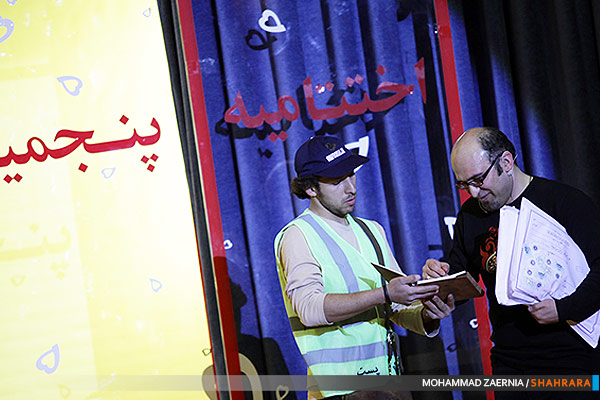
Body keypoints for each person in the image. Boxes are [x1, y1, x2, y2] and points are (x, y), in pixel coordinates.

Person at [422, 127, 600, 399]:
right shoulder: (470, 215)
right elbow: (461, 278)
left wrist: (564, 309)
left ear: (506, 162)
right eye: (463, 184)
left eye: (478, 179)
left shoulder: (564, 202)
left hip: (572, 359)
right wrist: (440, 277)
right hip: (510, 364)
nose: (473, 192)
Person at [274, 135, 455, 400]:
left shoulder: (372, 230)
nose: (351, 188)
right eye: (337, 181)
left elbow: (397, 308)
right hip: (341, 391)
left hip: (389, 382)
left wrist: (428, 313)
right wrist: (385, 294)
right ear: (310, 188)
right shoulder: (298, 235)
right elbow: (309, 309)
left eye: (351, 175)